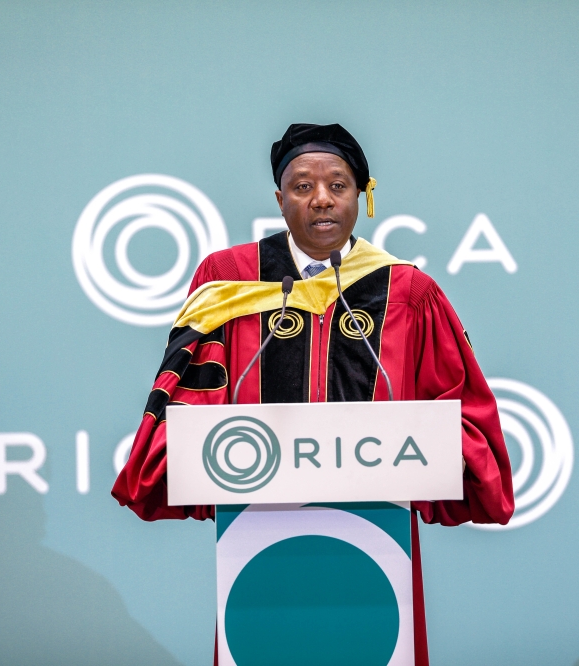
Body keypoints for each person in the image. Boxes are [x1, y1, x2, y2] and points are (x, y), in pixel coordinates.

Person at [112, 123, 514, 664]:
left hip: (379, 540)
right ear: (280, 199)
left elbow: (460, 413)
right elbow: (190, 401)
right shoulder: (230, 280)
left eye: (338, 185)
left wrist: (450, 452)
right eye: (302, 186)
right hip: (257, 538)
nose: (321, 199)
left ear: (362, 195)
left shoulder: (408, 292)